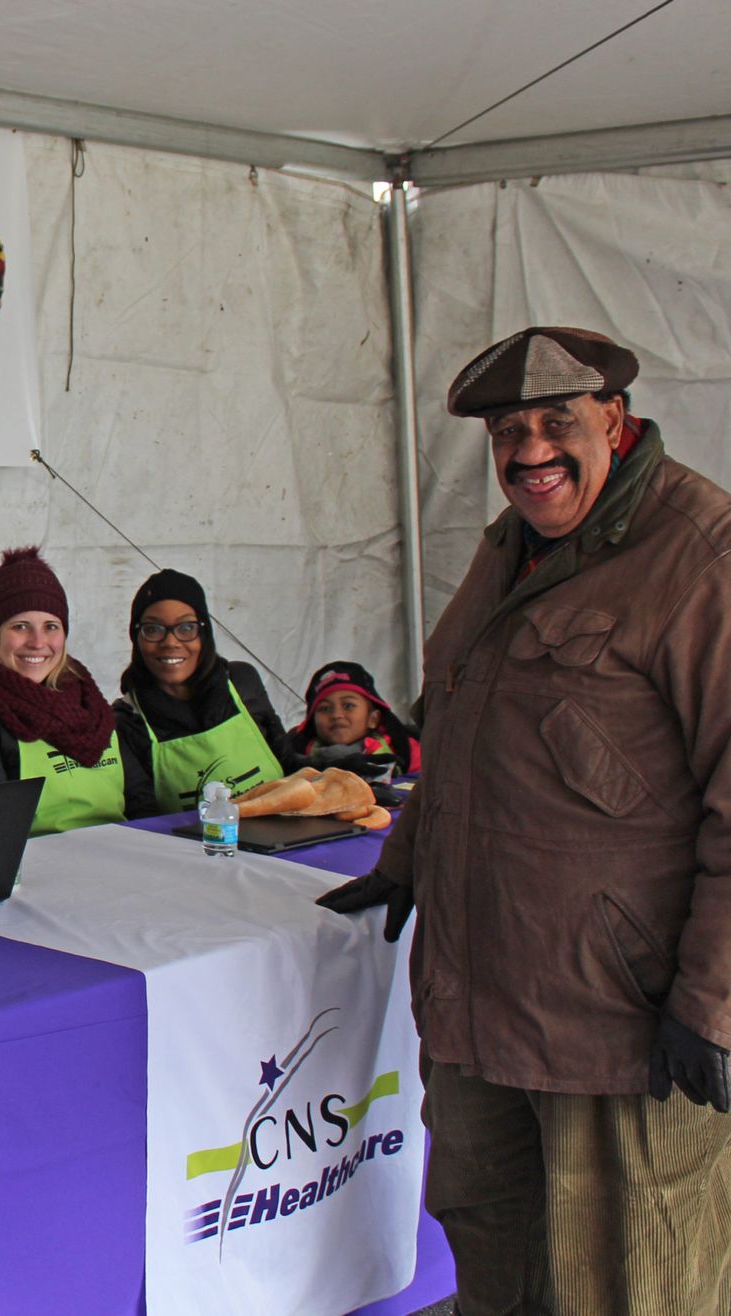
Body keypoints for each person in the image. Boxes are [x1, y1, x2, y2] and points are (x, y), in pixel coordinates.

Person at [318, 326, 731, 1313]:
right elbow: (461, 725)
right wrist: (408, 855)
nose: (530, 451)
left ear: (617, 422)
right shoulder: (512, 545)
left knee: (633, 1284)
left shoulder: (700, 554)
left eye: (557, 423)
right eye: (508, 431)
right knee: (495, 1267)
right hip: (479, 1005)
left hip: (616, 1025)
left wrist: (713, 999)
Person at [0, 546, 154, 827]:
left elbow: (143, 807)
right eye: (20, 626)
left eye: (51, 626)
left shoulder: (93, 710)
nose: (37, 642)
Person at [114, 569, 285, 813]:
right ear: (136, 638)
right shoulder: (126, 722)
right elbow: (143, 818)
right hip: (194, 850)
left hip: (283, 841)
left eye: (186, 628)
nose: (171, 642)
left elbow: (287, 762)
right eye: (153, 629)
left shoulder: (241, 681)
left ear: (204, 634)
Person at [279, 661, 420, 775]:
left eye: (348, 706)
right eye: (324, 709)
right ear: (312, 721)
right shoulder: (295, 753)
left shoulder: (404, 748)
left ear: (373, 719)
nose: (336, 715)